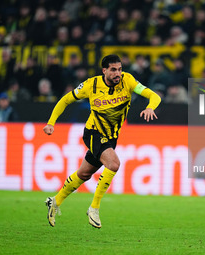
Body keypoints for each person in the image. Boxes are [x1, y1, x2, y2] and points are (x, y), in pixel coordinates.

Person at [43, 54, 161, 228]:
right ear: (104, 70)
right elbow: (66, 99)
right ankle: (94, 207)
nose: (118, 73)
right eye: (113, 70)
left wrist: (150, 107)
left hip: (111, 138)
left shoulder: (128, 80)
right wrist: (51, 123)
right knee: (113, 164)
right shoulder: (92, 85)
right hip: (93, 133)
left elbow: (154, 96)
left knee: (84, 174)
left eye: (120, 69)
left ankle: (55, 200)